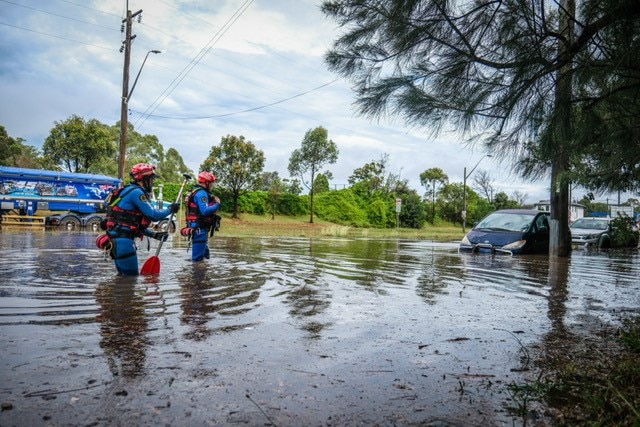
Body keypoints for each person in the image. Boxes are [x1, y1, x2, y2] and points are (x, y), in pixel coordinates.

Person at [101, 163, 180, 275]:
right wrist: (170, 209)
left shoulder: (127, 190)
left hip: (116, 241)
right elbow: (153, 215)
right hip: (124, 243)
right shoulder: (137, 193)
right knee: (131, 281)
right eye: (152, 178)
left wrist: (153, 234)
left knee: (122, 280)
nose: (153, 182)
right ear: (145, 178)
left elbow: (130, 223)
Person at [184, 171, 221, 262]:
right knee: (197, 260)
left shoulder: (197, 191)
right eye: (212, 182)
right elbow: (204, 211)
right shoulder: (201, 193)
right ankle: (197, 275)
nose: (212, 185)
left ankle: (203, 271)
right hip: (199, 228)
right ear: (206, 182)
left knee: (205, 256)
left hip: (199, 227)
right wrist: (217, 204)